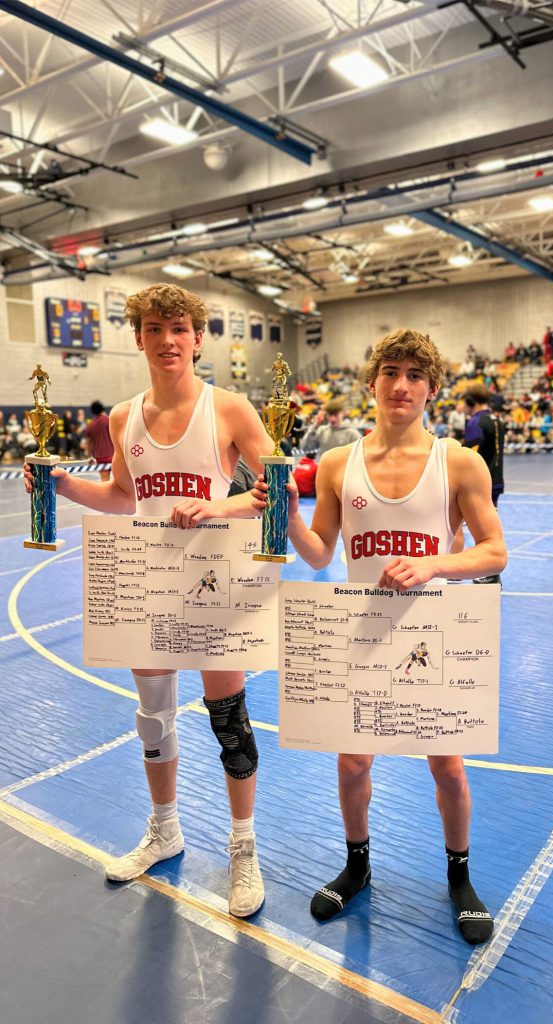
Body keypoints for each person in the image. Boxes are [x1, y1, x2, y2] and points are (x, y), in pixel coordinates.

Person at [25, 283, 275, 917]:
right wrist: (62, 485)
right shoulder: (121, 418)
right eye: (156, 329)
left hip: (214, 585)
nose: (168, 340)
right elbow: (121, 497)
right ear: (138, 338)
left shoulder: (231, 409)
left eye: (180, 328)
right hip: (148, 586)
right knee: (154, 718)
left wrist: (216, 505)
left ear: (197, 338)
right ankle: (165, 830)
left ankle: (243, 847)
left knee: (231, 723)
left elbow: (271, 493)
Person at [253, 327, 506, 945]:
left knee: (447, 765)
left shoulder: (460, 462)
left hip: (433, 630)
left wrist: (435, 564)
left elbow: (496, 551)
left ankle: (459, 876)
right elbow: (318, 555)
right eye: (391, 372)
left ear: (432, 389)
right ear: (371, 383)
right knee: (353, 759)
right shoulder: (339, 464)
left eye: (416, 375)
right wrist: (284, 512)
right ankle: (358, 864)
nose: (402, 385)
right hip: (361, 627)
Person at [462, 384, 505, 584]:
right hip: (496, 479)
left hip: (479, 482)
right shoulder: (497, 420)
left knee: (479, 528)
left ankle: (488, 572)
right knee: (490, 525)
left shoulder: (476, 422)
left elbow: (468, 454)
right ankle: (491, 572)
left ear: (471, 402)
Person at [84, 401, 114, 481]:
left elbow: (89, 443)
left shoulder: (90, 424)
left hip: (100, 457)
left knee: (104, 480)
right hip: (113, 456)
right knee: (119, 481)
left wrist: (90, 456)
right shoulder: (110, 420)